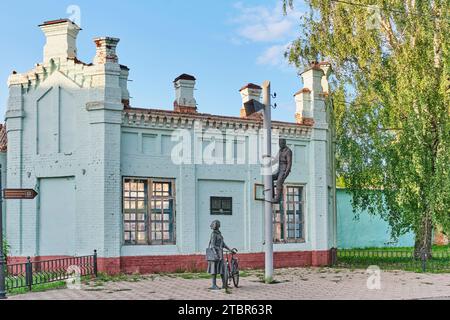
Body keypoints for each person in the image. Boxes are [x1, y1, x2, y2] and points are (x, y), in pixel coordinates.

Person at [207, 220, 234, 290]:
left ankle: (224, 284)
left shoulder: (219, 233)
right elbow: (212, 245)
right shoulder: (213, 234)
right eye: (217, 224)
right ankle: (213, 285)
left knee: (223, 269)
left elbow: (223, 244)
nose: (218, 225)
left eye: (217, 224)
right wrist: (216, 254)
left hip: (220, 253)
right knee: (214, 269)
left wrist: (229, 249)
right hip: (215, 254)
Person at [272, 139, 293, 203]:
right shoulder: (280, 150)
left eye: (281, 143)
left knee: (279, 182)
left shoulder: (288, 151)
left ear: (284, 143)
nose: (280, 145)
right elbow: (276, 160)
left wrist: (286, 173)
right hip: (279, 168)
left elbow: (289, 163)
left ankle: (277, 199)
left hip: (284, 169)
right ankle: (272, 195)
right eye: (279, 144)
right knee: (269, 177)